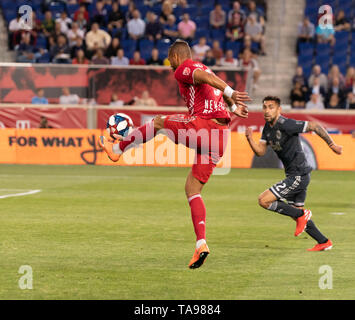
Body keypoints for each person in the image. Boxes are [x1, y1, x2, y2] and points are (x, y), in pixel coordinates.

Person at [98, 39, 250, 269]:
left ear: (176, 57)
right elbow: (212, 85)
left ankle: (117, 149)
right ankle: (201, 244)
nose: (171, 68)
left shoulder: (184, 68)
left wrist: (230, 91)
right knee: (192, 189)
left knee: (158, 122)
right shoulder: (206, 69)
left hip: (204, 127)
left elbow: (205, 79)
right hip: (219, 137)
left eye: (171, 62)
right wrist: (232, 105)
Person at [245, 96, 342, 251]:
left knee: (264, 200)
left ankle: (302, 215)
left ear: (279, 109)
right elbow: (261, 152)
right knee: (295, 214)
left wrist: (332, 144)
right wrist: (250, 139)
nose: (267, 110)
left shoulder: (287, 124)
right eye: (264, 107)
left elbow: (315, 126)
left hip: (298, 175)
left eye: (271, 107)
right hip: (294, 174)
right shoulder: (267, 128)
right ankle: (323, 241)